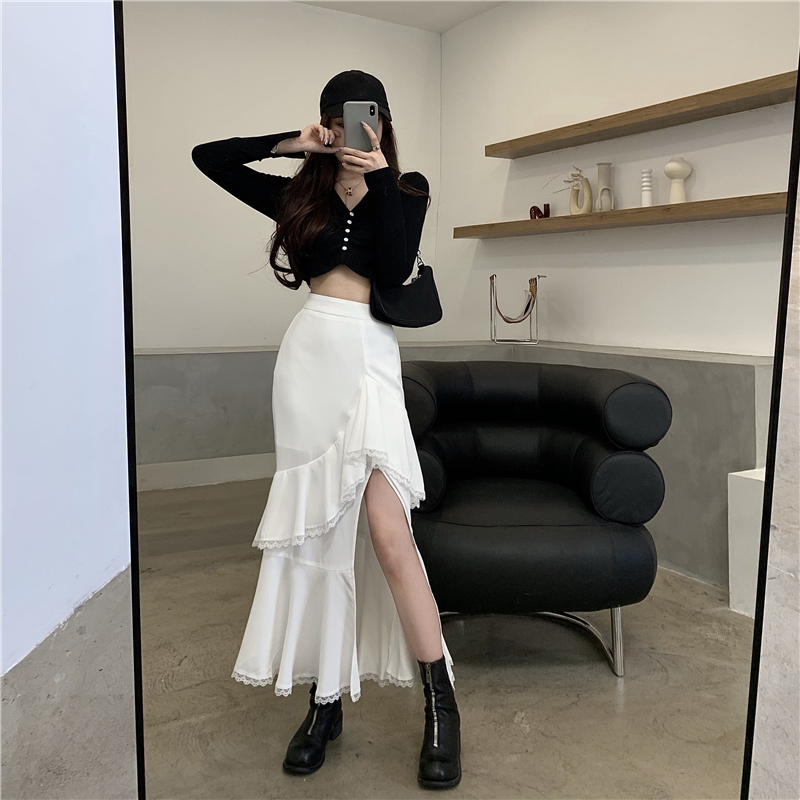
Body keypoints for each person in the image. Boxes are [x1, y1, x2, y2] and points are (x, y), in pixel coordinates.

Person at [191, 70, 461, 790]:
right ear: (328, 123)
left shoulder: (406, 191)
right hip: (307, 367)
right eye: (338, 121)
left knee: (388, 532)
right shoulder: (297, 194)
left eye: (365, 120)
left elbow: (395, 268)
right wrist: (292, 143)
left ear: (383, 123)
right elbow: (207, 158)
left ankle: (441, 705)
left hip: (369, 361)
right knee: (318, 536)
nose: (351, 132)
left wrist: (376, 179)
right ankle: (325, 700)